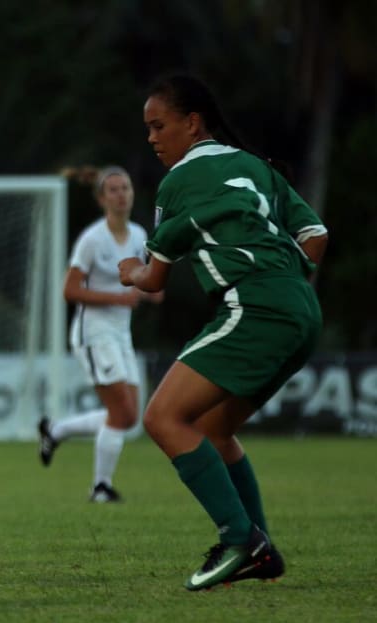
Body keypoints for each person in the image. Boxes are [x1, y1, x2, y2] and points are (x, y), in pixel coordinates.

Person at [118, 74, 327, 591]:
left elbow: (153, 277)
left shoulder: (178, 181)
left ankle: (242, 539)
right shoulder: (255, 167)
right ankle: (261, 549)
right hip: (300, 307)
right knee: (212, 427)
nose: (151, 137)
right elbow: (316, 236)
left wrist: (130, 271)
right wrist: (283, 278)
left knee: (163, 417)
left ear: (192, 124)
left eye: (158, 125)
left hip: (253, 304)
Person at [37, 166, 161, 502]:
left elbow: (154, 289)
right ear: (101, 199)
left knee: (130, 416)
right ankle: (100, 487)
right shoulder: (93, 240)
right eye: (114, 190)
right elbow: (70, 290)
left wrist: (149, 289)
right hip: (93, 333)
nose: (122, 195)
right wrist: (119, 297)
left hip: (121, 334)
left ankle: (56, 430)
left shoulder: (138, 235)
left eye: (126, 188)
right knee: (121, 413)